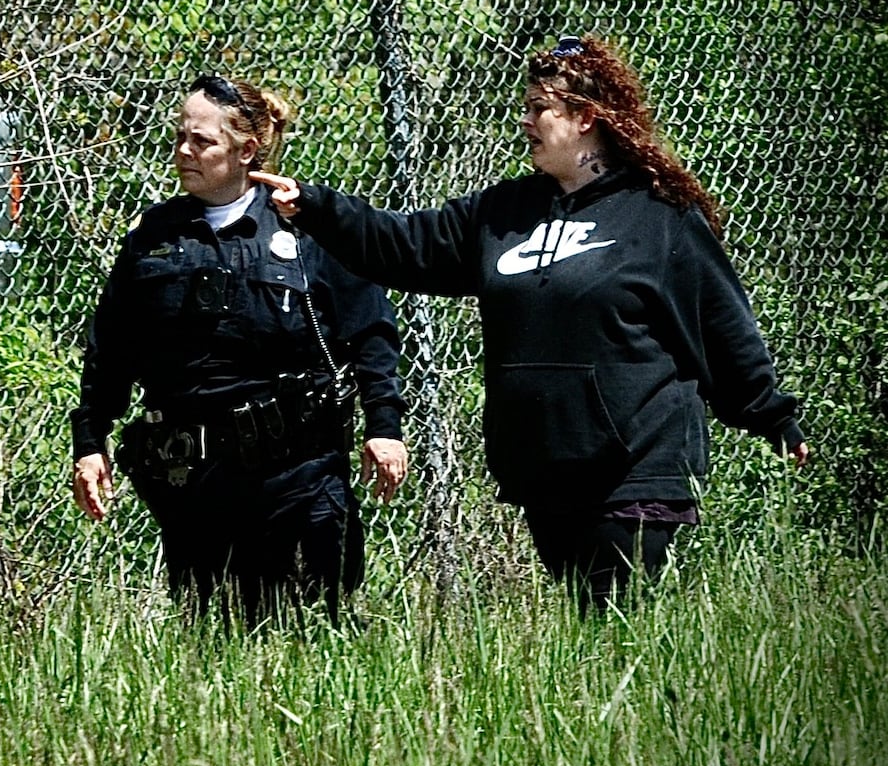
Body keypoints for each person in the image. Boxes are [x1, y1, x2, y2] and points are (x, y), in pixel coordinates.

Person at [250, 34, 810, 612]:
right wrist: (316, 206)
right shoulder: (505, 213)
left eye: (540, 107)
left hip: (636, 462)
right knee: (584, 626)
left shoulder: (658, 215)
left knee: (611, 617)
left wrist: (771, 415)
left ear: (586, 117)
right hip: (548, 464)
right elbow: (405, 245)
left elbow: (721, 322)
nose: (526, 121)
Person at [70, 72, 409, 624]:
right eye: (180, 136)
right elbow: (110, 348)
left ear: (246, 149)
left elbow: (370, 331)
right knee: (214, 638)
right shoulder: (155, 236)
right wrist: (91, 441)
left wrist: (384, 427)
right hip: (196, 483)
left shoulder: (305, 229)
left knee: (315, 630)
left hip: (299, 474)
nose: (184, 152)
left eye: (202, 141)